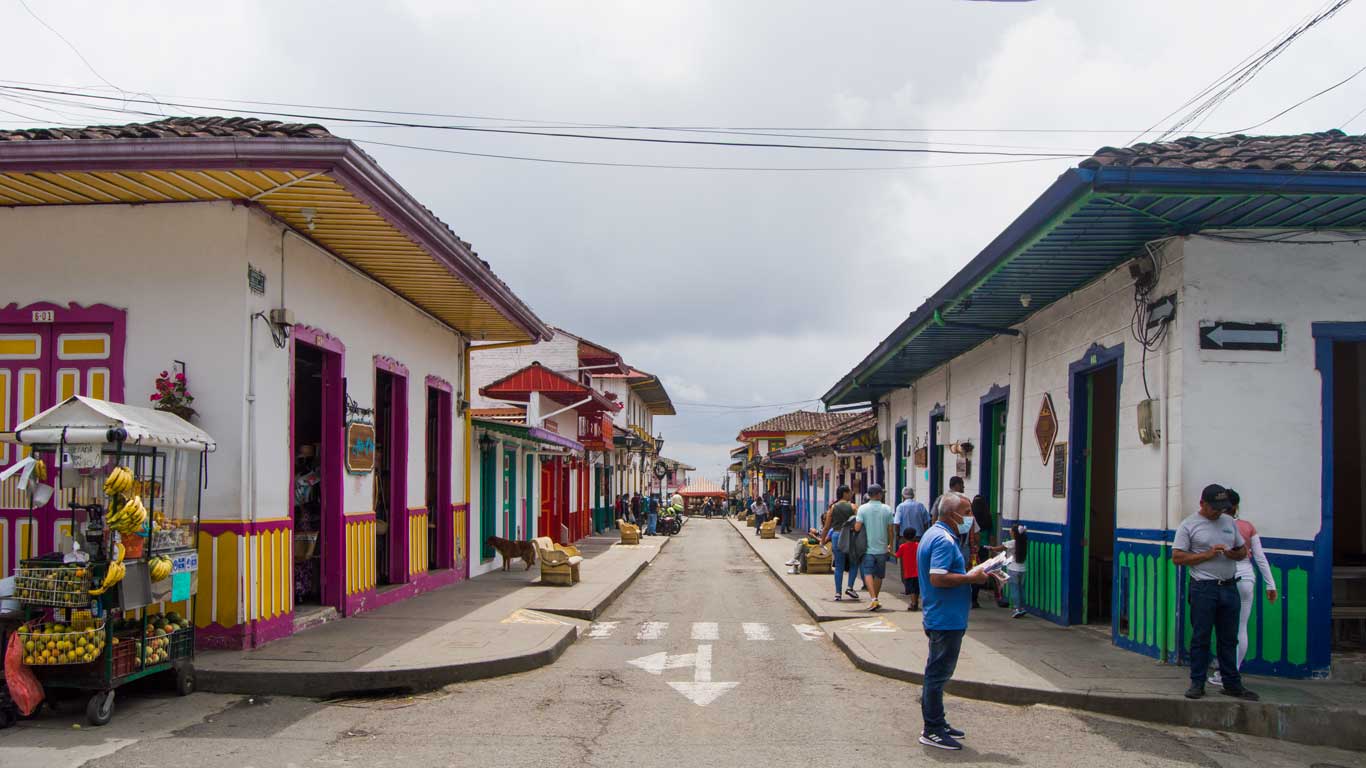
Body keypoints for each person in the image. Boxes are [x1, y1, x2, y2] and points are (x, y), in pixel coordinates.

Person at [1173, 484, 1258, 702]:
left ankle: (1232, 683)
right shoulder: (1189, 525)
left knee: (1228, 638)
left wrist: (1233, 554)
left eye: (1222, 508)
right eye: (1214, 508)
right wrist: (1207, 555)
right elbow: (1178, 558)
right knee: (1201, 637)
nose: (1219, 512)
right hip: (1204, 588)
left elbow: (1242, 551)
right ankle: (1197, 683)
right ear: (1202, 503)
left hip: (1229, 586)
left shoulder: (1229, 523)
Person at [917, 492, 989, 750]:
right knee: (937, 675)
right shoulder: (944, 540)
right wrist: (971, 578)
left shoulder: (935, 534)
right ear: (952, 514)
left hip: (943, 615)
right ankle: (933, 729)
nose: (971, 517)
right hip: (945, 619)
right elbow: (938, 577)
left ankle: (938, 721)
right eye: (967, 512)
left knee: (936, 672)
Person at [1212, 488, 1278, 687]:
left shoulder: (1215, 526)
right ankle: (1232, 672)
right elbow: (1259, 557)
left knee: (1222, 629)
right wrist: (1271, 584)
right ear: (1237, 506)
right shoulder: (1248, 527)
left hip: (1223, 577)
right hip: (1247, 578)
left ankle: (1223, 673)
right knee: (1241, 628)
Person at [854, 484, 896, 612]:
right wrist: (890, 545)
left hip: (867, 548)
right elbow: (890, 530)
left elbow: (857, 527)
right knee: (879, 575)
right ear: (878, 495)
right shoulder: (887, 509)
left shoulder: (862, 509)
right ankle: (875, 598)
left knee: (867, 573)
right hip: (882, 548)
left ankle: (873, 599)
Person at [820, 485, 861, 601]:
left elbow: (827, 527)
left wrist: (822, 541)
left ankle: (838, 593)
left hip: (837, 536)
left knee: (839, 566)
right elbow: (858, 523)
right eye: (849, 492)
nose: (851, 494)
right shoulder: (853, 507)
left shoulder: (832, 508)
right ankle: (850, 587)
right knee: (853, 563)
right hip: (850, 536)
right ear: (844, 493)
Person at [897, 530, 921, 611]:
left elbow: (897, 555)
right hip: (918, 571)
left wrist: (889, 552)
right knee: (916, 589)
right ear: (914, 537)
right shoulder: (918, 545)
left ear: (904, 537)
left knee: (912, 590)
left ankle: (913, 603)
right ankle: (916, 602)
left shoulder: (903, 546)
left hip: (908, 572)